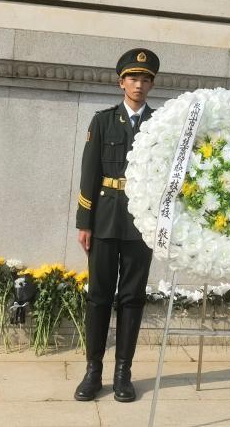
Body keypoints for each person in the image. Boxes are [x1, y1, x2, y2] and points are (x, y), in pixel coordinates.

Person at [73, 48, 160, 403]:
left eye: (145, 79)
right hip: (106, 218)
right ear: (121, 81)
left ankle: (123, 372)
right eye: (133, 78)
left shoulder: (162, 123)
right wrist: (84, 221)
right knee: (98, 297)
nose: (139, 85)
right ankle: (93, 370)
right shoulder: (103, 120)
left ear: (152, 84)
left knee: (132, 298)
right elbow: (89, 172)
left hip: (142, 223)